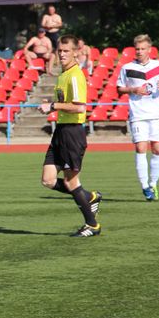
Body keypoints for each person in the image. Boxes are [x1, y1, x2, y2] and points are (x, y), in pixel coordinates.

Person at [38, 34, 103, 237]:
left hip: (72, 133)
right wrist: (54, 108)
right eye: (60, 50)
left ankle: (92, 225)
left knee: (70, 182)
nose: (63, 54)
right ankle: (90, 197)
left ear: (76, 52)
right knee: (48, 180)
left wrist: (53, 106)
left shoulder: (75, 75)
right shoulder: (63, 74)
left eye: (67, 51)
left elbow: (79, 107)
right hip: (60, 131)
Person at [116, 34, 159, 201]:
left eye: (142, 49)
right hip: (138, 113)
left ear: (149, 50)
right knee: (141, 148)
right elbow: (119, 89)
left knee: (158, 149)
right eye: (137, 49)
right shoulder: (127, 67)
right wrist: (133, 90)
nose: (139, 51)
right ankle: (145, 186)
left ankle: (153, 183)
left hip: (156, 113)